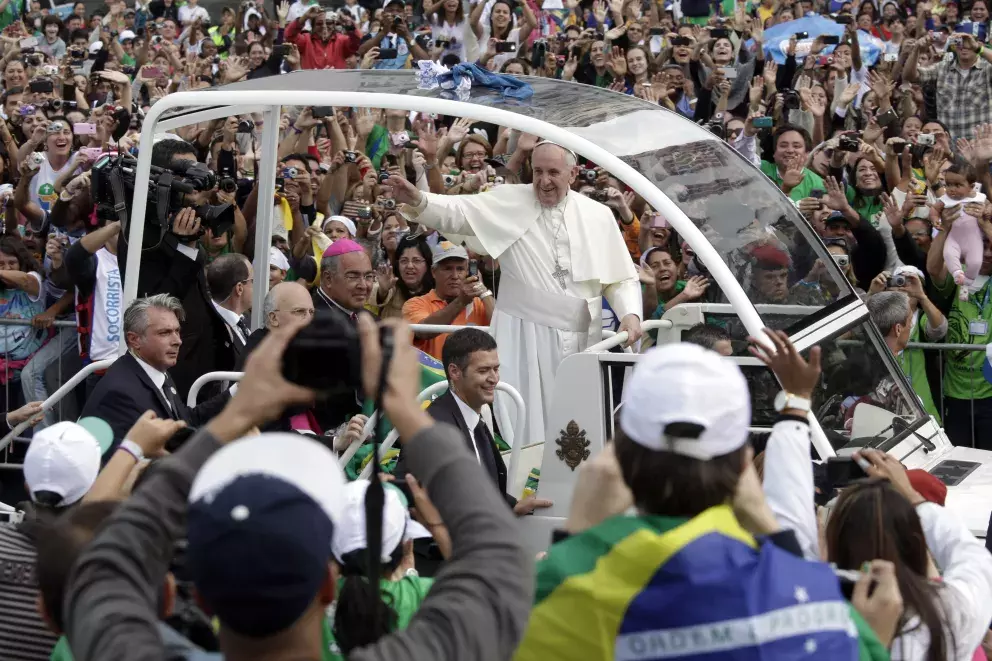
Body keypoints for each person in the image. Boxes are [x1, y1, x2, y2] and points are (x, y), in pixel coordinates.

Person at [62, 315, 532, 661]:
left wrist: (235, 416)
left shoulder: (123, 647)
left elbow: (100, 566)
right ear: (330, 585)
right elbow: (500, 562)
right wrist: (407, 412)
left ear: (199, 595)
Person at [513, 335, 898, 660]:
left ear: (620, 458)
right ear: (742, 464)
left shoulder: (563, 588)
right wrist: (768, 525)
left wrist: (579, 533)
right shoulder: (812, 599)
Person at [389, 139, 642, 443]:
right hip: (524, 335)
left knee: (578, 427)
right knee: (527, 424)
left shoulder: (598, 215)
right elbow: (457, 212)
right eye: (537, 172)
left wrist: (630, 313)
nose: (544, 181)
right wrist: (419, 200)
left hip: (582, 341)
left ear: (573, 174)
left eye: (553, 173)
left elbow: (621, 278)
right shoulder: (509, 201)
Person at [78, 295, 230, 452]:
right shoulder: (119, 393)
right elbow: (123, 462)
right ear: (134, 340)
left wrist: (236, 391)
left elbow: (184, 420)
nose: (177, 340)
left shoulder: (156, 371)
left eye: (177, 331)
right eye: (165, 333)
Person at [866, 268, 946, 423]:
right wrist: (871, 294)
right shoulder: (880, 316)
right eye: (898, 280)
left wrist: (921, 296)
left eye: (910, 282)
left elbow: (940, 330)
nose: (903, 286)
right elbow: (858, 327)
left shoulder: (922, 317)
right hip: (886, 392)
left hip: (920, 393)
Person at [402, 241, 494, 359]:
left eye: (460, 269)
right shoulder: (415, 304)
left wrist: (484, 292)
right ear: (433, 272)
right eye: (448, 269)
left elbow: (503, 328)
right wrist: (461, 301)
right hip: (435, 377)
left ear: (467, 272)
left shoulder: (481, 304)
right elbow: (423, 332)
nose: (455, 275)